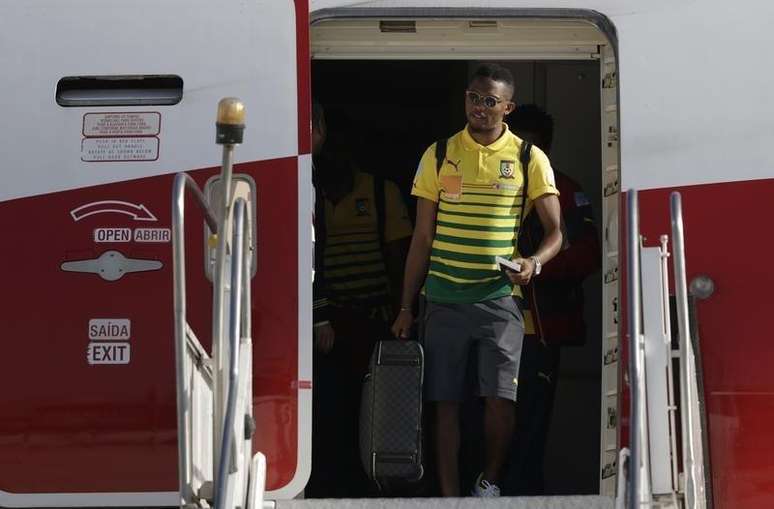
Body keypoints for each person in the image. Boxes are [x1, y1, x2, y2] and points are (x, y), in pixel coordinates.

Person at [391, 63, 562, 497]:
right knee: (444, 403)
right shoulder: (439, 153)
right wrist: (407, 306)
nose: (479, 107)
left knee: (501, 400)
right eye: (473, 97)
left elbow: (557, 233)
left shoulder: (528, 157)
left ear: (508, 107)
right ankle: (449, 497)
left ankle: (488, 482)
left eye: (490, 101)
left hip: (499, 299)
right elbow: (422, 237)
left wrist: (534, 263)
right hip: (443, 299)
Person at [503, 104, 601, 495]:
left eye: (533, 147)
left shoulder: (567, 190)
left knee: (531, 425)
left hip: (540, 334)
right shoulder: (487, 183)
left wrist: (535, 267)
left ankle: (522, 495)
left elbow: (590, 254)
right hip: (486, 327)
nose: (525, 154)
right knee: (483, 422)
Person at [312, 127, 413, 497]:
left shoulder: (380, 193)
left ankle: (374, 489)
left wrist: (403, 312)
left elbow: (398, 258)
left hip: (374, 321)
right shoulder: (312, 192)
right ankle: (330, 485)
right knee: (330, 410)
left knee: (376, 411)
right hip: (329, 324)